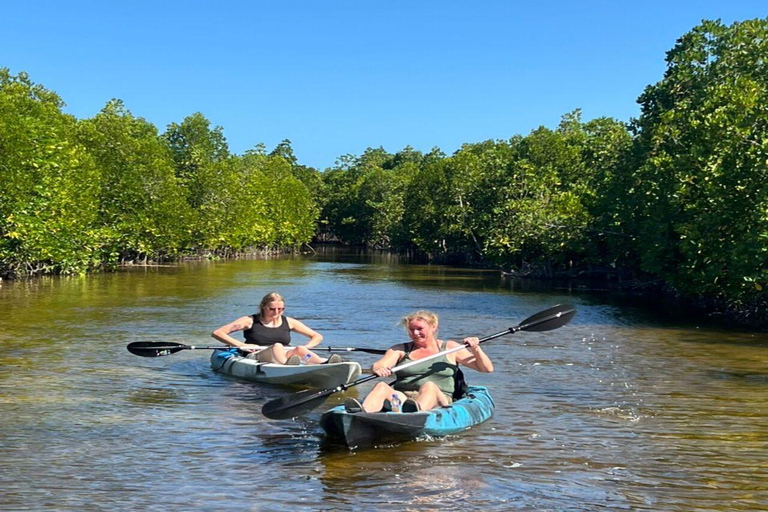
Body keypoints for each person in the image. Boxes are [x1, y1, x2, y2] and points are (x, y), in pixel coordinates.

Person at [345, 310, 493, 413]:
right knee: (382, 386)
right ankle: (362, 414)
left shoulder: (450, 347)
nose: (415, 333)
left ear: (433, 327)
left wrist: (476, 349)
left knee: (429, 386)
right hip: (403, 397)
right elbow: (380, 364)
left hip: (439, 397)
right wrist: (378, 368)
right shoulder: (400, 349)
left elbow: (486, 369)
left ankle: (416, 414)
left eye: (419, 329)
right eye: (411, 329)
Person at [212, 292, 341, 365]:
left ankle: (322, 364)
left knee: (300, 349)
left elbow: (317, 336)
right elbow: (218, 333)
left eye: (280, 309)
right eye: (272, 309)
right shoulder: (249, 320)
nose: (276, 312)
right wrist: (240, 345)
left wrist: (308, 346)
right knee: (277, 346)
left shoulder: (289, 321)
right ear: (263, 307)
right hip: (256, 355)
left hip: (284, 354)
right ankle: (287, 367)